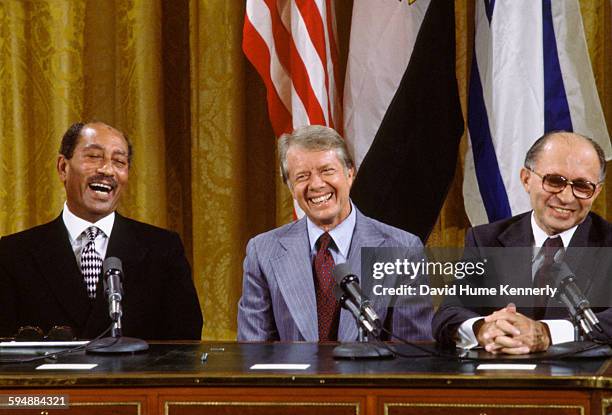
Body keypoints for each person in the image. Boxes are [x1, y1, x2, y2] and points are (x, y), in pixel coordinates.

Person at [0, 121, 203, 340]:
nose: (107, 170)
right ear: (63, 167)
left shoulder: (162, 249)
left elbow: (185, 344)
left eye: (119, 161)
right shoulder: (13, 253)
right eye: (94, 157)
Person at [237, 125, 433, 342]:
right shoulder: (263, 251)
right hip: (292, 377)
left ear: (350, 174)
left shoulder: (402, 249)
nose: (317, 184)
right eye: (302, 176)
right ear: (291, 187)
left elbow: (411, 355)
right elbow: (252, 353)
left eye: (327, 171)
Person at [433, 131, 612, 354]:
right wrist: (483, 329)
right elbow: (449, 314)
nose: (567, 197)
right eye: (555, 181)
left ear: (597, 192)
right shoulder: (486, 240)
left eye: (582, 186)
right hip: (499, 382)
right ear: (526, 179)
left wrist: (546, 334)